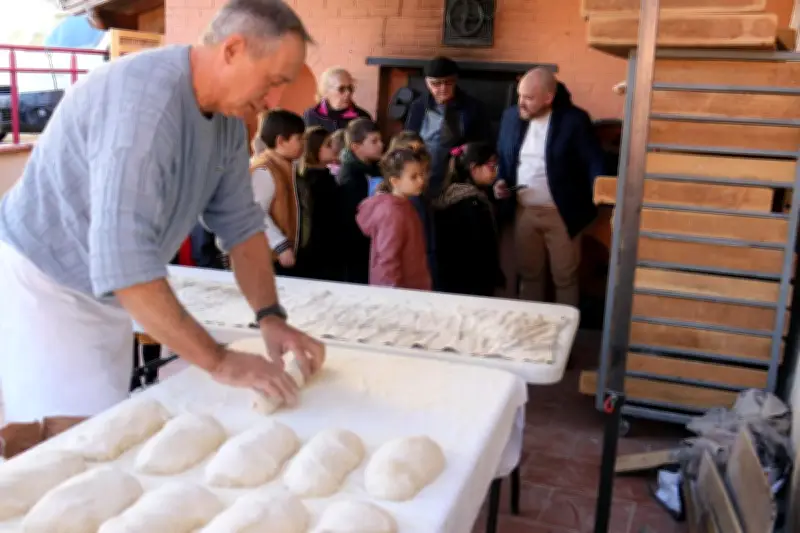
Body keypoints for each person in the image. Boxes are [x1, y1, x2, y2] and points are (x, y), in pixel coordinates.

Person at [0, 0, 325, 424]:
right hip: (47, 283)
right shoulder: (145, 107)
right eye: (274, 80)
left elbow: (243, 227)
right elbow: (125, 262)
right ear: (232, 50)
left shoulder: (228, 121)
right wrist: (219, 361)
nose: (275, 100)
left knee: (106, 426)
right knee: (72, 441)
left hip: (108, 292)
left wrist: (270, 317)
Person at [495, 67, 605, 307]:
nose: (521, 103)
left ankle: (567, 327)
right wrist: (500, 181)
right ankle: (530, 325)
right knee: (529, 274)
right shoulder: (510, 117)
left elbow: (593, 160)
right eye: (520, 95)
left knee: (565, 277)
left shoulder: (574, 120)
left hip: (561, 213)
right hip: (524, 211)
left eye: (529, 98)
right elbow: (504, 159)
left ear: (548, 97)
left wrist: (601, 193)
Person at [404, 56, 489, 199]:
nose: (443, 88)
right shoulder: (418, 106)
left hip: (457, 176)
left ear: (455, 80)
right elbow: (407, 139)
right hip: (423, 172)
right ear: (427, 83)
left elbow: (483, 145)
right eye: (436, 84)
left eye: (448, 82)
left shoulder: (473, 108)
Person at [434, 142, 504, 297]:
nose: (496, 171)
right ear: (474, 168)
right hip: (472, 283)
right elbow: (482, 250)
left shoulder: (449, 195)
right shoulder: (473, 204)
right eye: (492, 166)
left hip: (451, 282)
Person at [356, 148, 431, 290]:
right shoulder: (391, 213)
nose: (421, 180)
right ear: (395, 181)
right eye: (413, 177)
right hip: (400, 292)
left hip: (412, 288)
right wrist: (393, 294)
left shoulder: (405, 205)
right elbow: (387, 259)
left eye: (421, 174)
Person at [251, 109, 307, 276]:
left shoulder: (285, 166)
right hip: (270, 258)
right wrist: (280, 245)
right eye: (299, 138)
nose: (303, 143)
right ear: (281, 141)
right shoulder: (264, 170)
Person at [387, 130, 438, 289]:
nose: (417, 157)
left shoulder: (420, 195)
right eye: (410, 151)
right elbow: (388, 257)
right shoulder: (394, 205)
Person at [337, 118, 384, 285]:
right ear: (356, 147)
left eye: (380, 140)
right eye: (374, 141)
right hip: (357, 246)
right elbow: (352, 216)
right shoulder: (349, 176)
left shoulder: (376, 168)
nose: (381, 145)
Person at [296, 126, 343, 281]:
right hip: (318, 250)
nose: (334, 148)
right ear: (315, 148)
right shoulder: (313, 181)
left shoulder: (325, 177)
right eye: (328, 145)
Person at [303, 67, 371, 132]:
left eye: (350, 88)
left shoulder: (362, 117)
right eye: (341, 89)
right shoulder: (311, 115)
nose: (348, 93)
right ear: (325, 91)